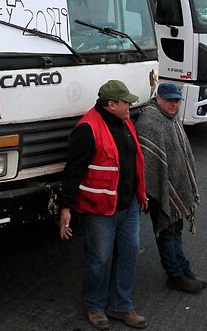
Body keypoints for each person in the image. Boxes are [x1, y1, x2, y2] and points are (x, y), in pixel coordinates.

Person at [59, 80, 149, 330]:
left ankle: (121, 306)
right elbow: (73, 172)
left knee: (129, 253)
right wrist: (66, 209)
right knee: (98, 259)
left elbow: (133, 162)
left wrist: (140, 193)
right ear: (111, 105)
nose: (130, 105)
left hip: (128, 205)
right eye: (126, 102)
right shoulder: (87, 130)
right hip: (100, 210)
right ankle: (95, 307)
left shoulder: (125, 122)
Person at [135, 82, 205, 294]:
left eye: (177, 101)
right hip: (158, 189)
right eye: (170, 100)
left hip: (174, 184)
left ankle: (184, 269)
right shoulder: (149, 121)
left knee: (176, 230)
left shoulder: (171, 119)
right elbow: (150, 162)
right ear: (159, 99)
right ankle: (175, 275)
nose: (174, 105)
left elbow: (180, 153)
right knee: (166, 231)